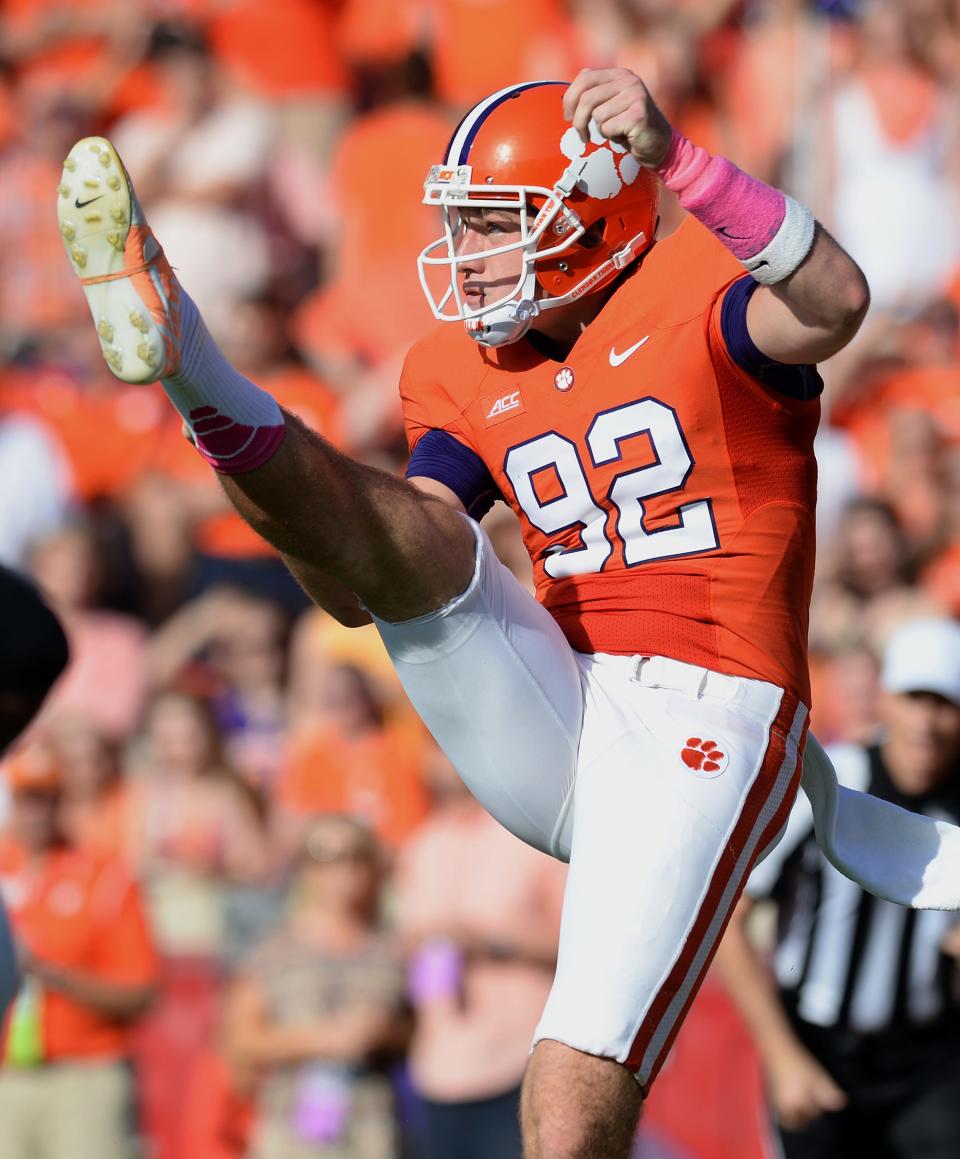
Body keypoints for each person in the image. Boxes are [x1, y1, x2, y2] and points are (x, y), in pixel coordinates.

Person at [57, 67, 960, 1159]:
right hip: (562, 706)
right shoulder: (459, 368)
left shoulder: (698, 295)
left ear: (592, 211)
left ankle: (200, 370)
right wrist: (298, 506)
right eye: (464, 223)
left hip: (710, 717)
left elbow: (838, 304)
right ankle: (193, 366)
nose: (468, 253)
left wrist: (685, 161)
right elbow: (355, 586)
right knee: (414, 537)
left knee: (567, 1103)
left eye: (494, 223)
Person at [715, 616, 960, 1159]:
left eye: (944, 704)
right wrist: (782, 1057)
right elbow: (727, 922)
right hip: (818, 1047)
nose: (927, 721)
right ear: (885, 700)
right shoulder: (831, 784)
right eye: (915, 698)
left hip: (929, 1063)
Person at [394, 748, 566, 1159]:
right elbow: (406, 939)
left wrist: (491, 944)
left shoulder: (534, 838)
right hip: (438, 1066)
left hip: (518, 1061)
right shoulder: (421, 845)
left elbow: (579, 946)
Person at [0, 743, 159, 1159]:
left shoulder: (103, 875)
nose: (36, 813)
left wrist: (47, 971)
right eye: (26, 799)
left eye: (47, 800)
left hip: (83, 1071)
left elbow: (139, 990)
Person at [223, 814, 409, 1159]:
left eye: (355, 856)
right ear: (305, 870)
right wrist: (320, 1039)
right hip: (292, 1130)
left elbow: (420, 1032)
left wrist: (382, 1033)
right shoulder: (273, 952)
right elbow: (240, 1042)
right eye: (326, 857)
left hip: (374, 1128)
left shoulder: (394, 950)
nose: (343, 870)